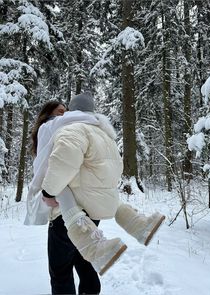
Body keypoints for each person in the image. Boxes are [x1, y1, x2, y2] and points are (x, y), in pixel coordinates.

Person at [40, 91, 166, 276]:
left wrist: (48, 192)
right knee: (84, 268)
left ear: (72, 110)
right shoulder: (105, 134)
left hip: (75, 208)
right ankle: (139, 225)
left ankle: (96, 248)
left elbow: (63, 161)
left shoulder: (73, 129)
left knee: (61, 271)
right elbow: (115, 169)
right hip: (99, 202)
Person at [26, 100, 101, 295]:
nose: (66, 115)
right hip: (90, 208)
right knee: (83, 260)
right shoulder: (82, 130)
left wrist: (46, 192)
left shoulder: (53, 127)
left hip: (65, 212)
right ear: (47, 113)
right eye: (61, 112)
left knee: (61, 272)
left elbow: (48, 168)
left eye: (66, 112)